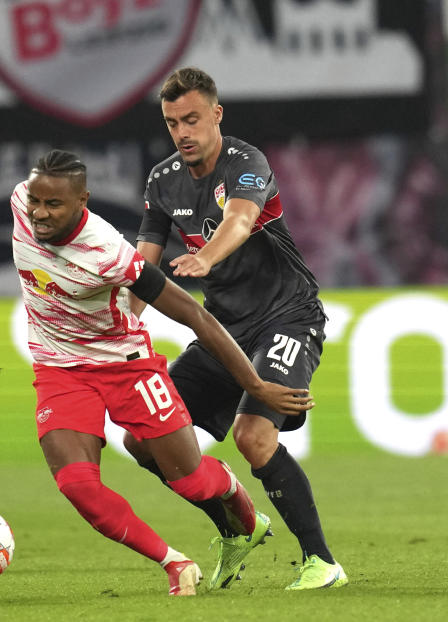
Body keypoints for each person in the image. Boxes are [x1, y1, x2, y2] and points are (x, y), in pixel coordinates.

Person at [12, 149, 313, 596]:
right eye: (35, 201)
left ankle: (235, 499)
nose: (38, 213)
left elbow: (193, 313)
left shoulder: (109, 253)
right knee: (77, 484)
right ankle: (175, 563)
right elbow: (30, 205)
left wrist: (253, 383)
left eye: (53, 204)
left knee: (190, 479)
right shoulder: (20, 202)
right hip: (60, 369)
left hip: (125, 366)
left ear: (83, 202)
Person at [125, 66, 348, 591]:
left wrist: (206, 259)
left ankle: (322, 563)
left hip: (286, 316)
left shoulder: (247, 163)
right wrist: (118, 320)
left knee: (253, 435)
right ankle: (235, 524)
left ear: (216, 115)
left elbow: (240, 221)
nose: (182, 132)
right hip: (224, 332)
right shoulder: (162, 181)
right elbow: (143, 264)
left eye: (192, 119)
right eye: (172, 122)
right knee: (142, 438)